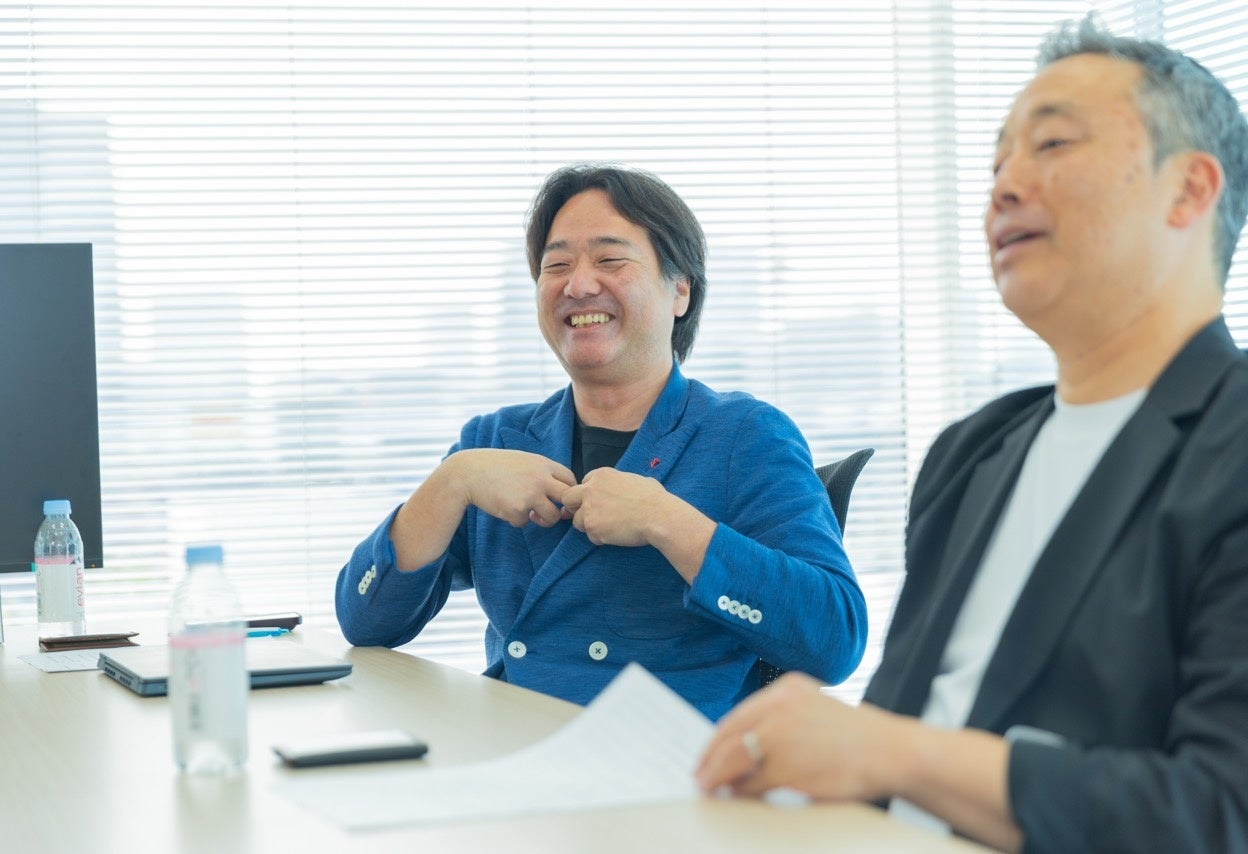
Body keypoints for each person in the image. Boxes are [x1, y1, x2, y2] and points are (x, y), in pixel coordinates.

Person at [696, 16, 1248, 853]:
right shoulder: (973, 453)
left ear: (1190, 190)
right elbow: (903, 722)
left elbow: (1218, 814)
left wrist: (891, 751)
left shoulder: (1229, 441)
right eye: (995, 165)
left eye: (1052, 144)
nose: (1003, 188)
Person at [336, 163, 868, 720]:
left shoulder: (746, 436)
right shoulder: (493, 442)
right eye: (556, 265)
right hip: (509, 745)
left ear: (680, 290)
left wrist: (667, 521)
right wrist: (452, 481)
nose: (578, 285)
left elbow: (835, 641)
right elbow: (365, 621)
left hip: (670, 761)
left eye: (610, 260)